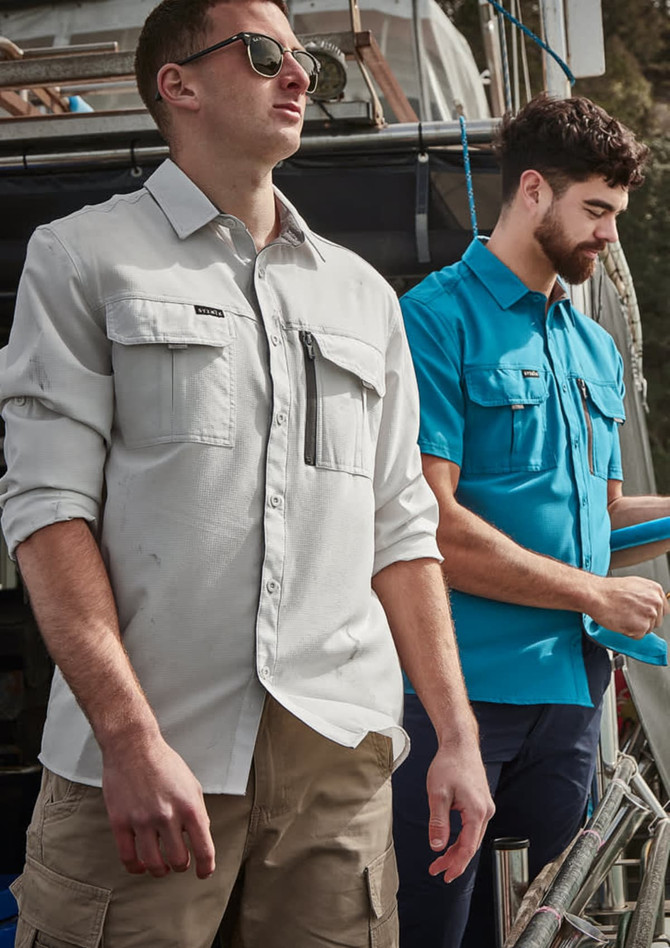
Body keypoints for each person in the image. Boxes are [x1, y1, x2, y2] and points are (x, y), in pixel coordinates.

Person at [0, 1, 493, 946]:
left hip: (335, 769)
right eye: (265, 54)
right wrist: (128, 740)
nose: (299, 74)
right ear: (176, 84)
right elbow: (47, 513)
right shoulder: (82, 258)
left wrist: (456, 736)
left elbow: (402, 530)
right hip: (144, 759)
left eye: (305, 56)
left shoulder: (363, 297)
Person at [394, 93, 670, 948]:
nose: (609, 235)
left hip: (573, 702)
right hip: (459, 698)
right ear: (534, 191)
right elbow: (431, 527)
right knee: (437, 931)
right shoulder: (432, 320)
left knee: (541, 934)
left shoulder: (594, 348)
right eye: (597, 210)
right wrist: (593, 594)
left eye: (616, 214)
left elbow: (605, 518)